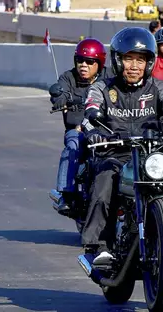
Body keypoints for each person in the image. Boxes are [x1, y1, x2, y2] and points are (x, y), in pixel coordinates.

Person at [81, 27, 163, 268]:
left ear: (149, 63)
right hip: (116, 151)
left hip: (152, 153)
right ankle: (98, 246)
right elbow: (91, 108)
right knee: (104, 181)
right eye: (128, 59)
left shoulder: (158, 87)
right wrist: (95, 129)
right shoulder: (102, 87)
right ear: (118, 60)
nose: (134, 66)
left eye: (140, 60)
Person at [50, 38, 107, 213]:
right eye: (80, 60)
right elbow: (59, 93)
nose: (84, 65)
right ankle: (66, 194)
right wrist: (60, 99)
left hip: (106, 129)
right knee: (73, 145)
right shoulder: (68, 77)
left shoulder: (109, 77)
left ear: (99, 63)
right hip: (78, 129)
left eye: (89, 62)